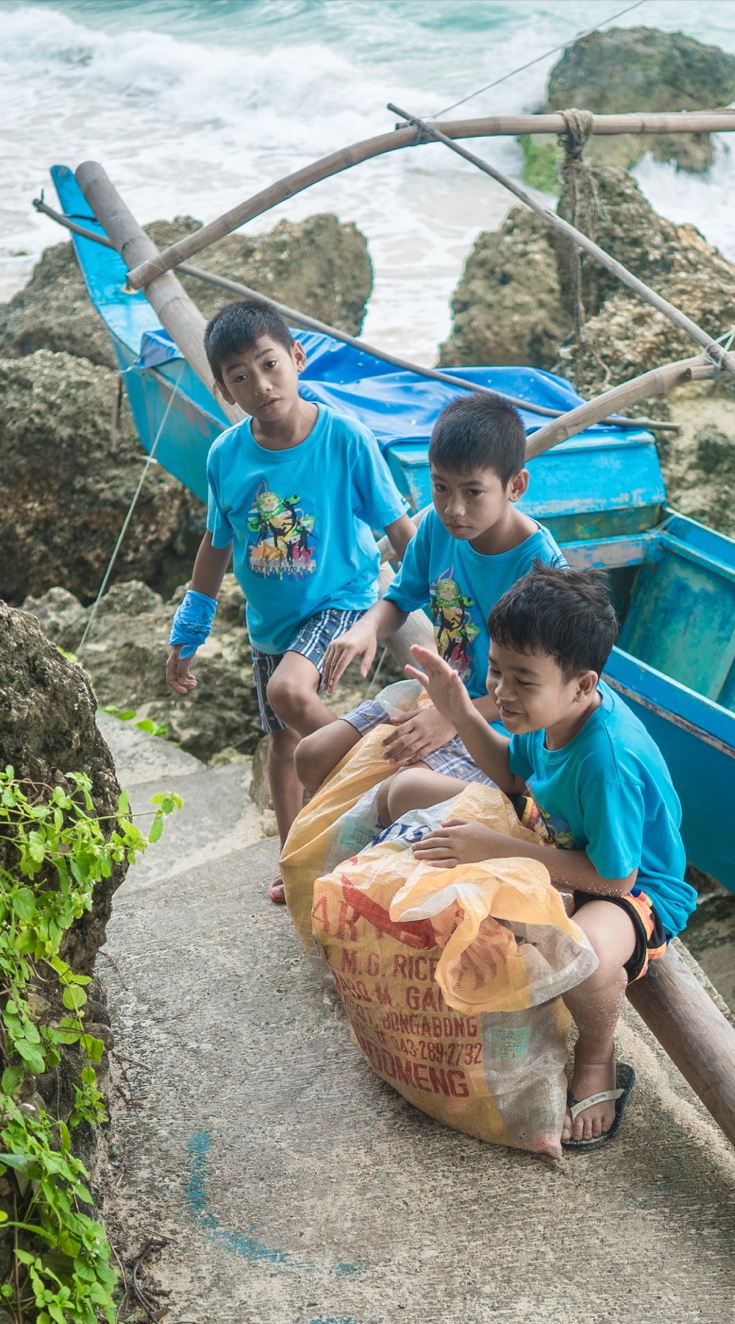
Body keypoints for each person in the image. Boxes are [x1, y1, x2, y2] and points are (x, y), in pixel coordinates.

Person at [384, 565, 696, 1149]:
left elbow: (615, 876)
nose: (502, 692)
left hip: (633, 884)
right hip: (549, 835)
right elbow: (509, 769)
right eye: (496, 671)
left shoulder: (607, 758)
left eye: (522, 681)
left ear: (583, 685)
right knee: (403, 792)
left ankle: (598, 1058)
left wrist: (494, 850)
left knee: (585, 955)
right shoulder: (549, 714)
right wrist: (460, 710)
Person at [164, 299, 415, 902]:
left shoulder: (345, 439)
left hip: (342, 597)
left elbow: (399, 526)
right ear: (225, 390)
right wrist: (189, 627)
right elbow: (216, 544)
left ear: (297, 357)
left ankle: (382, 780)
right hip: (270, 622)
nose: (262, 385)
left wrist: (433, 596)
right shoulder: (226, 455)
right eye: (241, 377)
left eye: (271, 364)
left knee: (288, 693)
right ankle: (296, 857)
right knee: (281, 745)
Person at [296, 391, 564, 798]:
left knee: (399, 788)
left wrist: (454, 718)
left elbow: (541, 689)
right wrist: (367, 628)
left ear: (516, 486)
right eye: (441, 487)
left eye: (473, 492)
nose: (453, 508)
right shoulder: (438, 529)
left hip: (504, 721)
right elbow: (401, 599)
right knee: (312, 755)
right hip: (440, 697)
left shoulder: (541, 570)